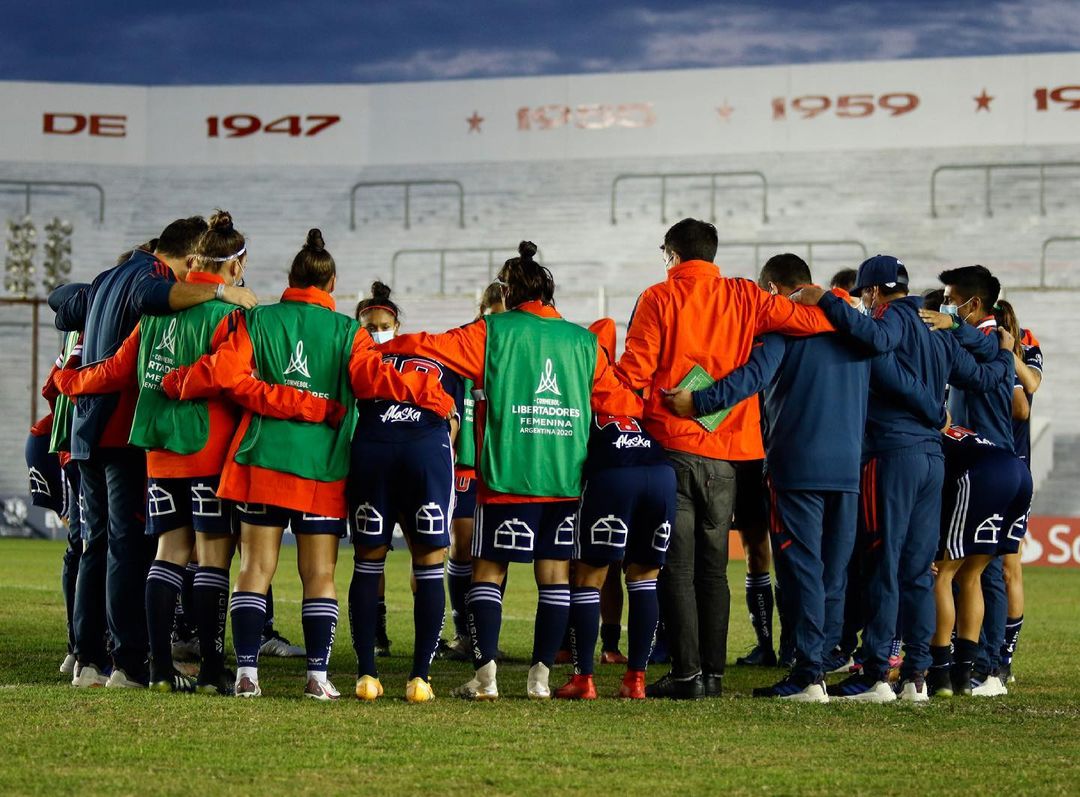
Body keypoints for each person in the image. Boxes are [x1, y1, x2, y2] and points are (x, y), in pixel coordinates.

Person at [162, 229, 455, 700]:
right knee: (319, 575)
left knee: (254, 567)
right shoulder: (347, 332)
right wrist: (428, 394)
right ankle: (318, 678)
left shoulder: (258, 321)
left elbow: (224, 374)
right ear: (332, 283)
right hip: (321, 470)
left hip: (261, 462)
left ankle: (247, 675)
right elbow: (375, 378)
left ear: (290, 278)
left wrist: (178, 381)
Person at [54, 212, 338, 694]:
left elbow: (114, 371)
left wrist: (67, 382)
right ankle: (210, 668)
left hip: (159, 454)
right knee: (211, 561)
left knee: (166, 554)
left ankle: (159, 667)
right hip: (210, 452)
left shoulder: (155, 316)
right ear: (236, 265)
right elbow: (231, 377)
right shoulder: (233, 314)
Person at [381, 242, 642, 700]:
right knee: (556, 578)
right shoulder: (584, 342)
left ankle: (487, 680)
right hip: (564, 480)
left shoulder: (492, 332)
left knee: (487, 572)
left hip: (505, 477)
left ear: (508, 290)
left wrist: (376, 346)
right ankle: (540, 681)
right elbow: (621, 403)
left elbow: (430, 346)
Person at [615, 219, 834, 700]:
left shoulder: (658, 297)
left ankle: (687, 674)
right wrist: (818, 297)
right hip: (728, 456)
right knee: (714, 569)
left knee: (677, 567)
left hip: (671, 447)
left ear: (671, 254)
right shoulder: (746, 296)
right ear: (711, 255)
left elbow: (635, 371)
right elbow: (817, 320)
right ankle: (712, 675)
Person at [794, 255, 1014, 702]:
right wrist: (999, 350)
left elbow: (874, 342)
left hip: (892, 455)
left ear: (874, 292)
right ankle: (917, 675)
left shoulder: (890, 318)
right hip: (933, 462)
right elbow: (989, 373)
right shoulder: (936, 327)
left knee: (883, 564)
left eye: (863, 296)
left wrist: (826, 302)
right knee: (917, 572)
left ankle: (876, 674)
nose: (863, 304)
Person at [49, 222, 258, 689]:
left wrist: (68, 382)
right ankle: (151, 664)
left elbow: (72, 312)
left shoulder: (110, 281)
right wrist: (221, 294)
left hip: (115, 438)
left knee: (104, 548)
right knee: (167, 553)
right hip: (170, 443)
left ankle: (93, 659)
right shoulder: (162, 287)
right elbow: (225, 371)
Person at [669, 254, 872, 702]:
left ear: (777, 291)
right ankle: (828, 657)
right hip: (847, 468)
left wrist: (697, 403)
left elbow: (752, 377)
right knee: (834, 571)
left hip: (797, 466)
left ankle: (809, 673)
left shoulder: (784, 330)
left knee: (801, 571)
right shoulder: (855, 332)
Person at [347, 281, 464, 703]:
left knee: (367, 561)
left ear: (394, 324)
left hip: (372, 450)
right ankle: (419, 679)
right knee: (430, 562)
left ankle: (366, 676)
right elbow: (454, 420)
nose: (377, 331)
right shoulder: (433, 357)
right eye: (371, 326)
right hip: (426, 451)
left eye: (381, 325)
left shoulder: (357, 354)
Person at [555, 319, 675, 700]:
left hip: (613, 474)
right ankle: (635, 681)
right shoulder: (630, 390)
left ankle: (584, 679)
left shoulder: (578, 392)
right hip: (659, 472)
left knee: (589, 577)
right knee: (643, 579)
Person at [920, 265, 1016, 696]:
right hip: (985, 466)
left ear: (972, 304)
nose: (944, 305)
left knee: (982, 571)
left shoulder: (991, 339)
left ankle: (986, 667)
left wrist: (953, 323)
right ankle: (978, 665)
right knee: (974, 570)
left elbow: (983, 342)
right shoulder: (978, 340)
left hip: (984, 466)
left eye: (950, 298)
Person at [928, 425, 1032, 697]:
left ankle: (940, 674)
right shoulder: (953, 432)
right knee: (971, 576)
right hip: (1019, 472)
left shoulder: (922, 439)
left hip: (985, 475)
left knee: (944, 573)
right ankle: (963, 675)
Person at [443, 281, 505, 661]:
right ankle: (464, 633)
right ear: (481, 314)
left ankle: (485, 636)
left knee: (497, 550)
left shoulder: (515, 350)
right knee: (462, 545)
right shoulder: (463, 347)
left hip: (503, 459)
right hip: (466, 459)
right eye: (492, 318)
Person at [994, 300, 1043, 683]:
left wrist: (1009, 353)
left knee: (1008, 566)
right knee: (980, 568)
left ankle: (1003, 657)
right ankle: (985, 653)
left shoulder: (1026, 342)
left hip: (1011, 467)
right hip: (982, 465)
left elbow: (1030, 392)